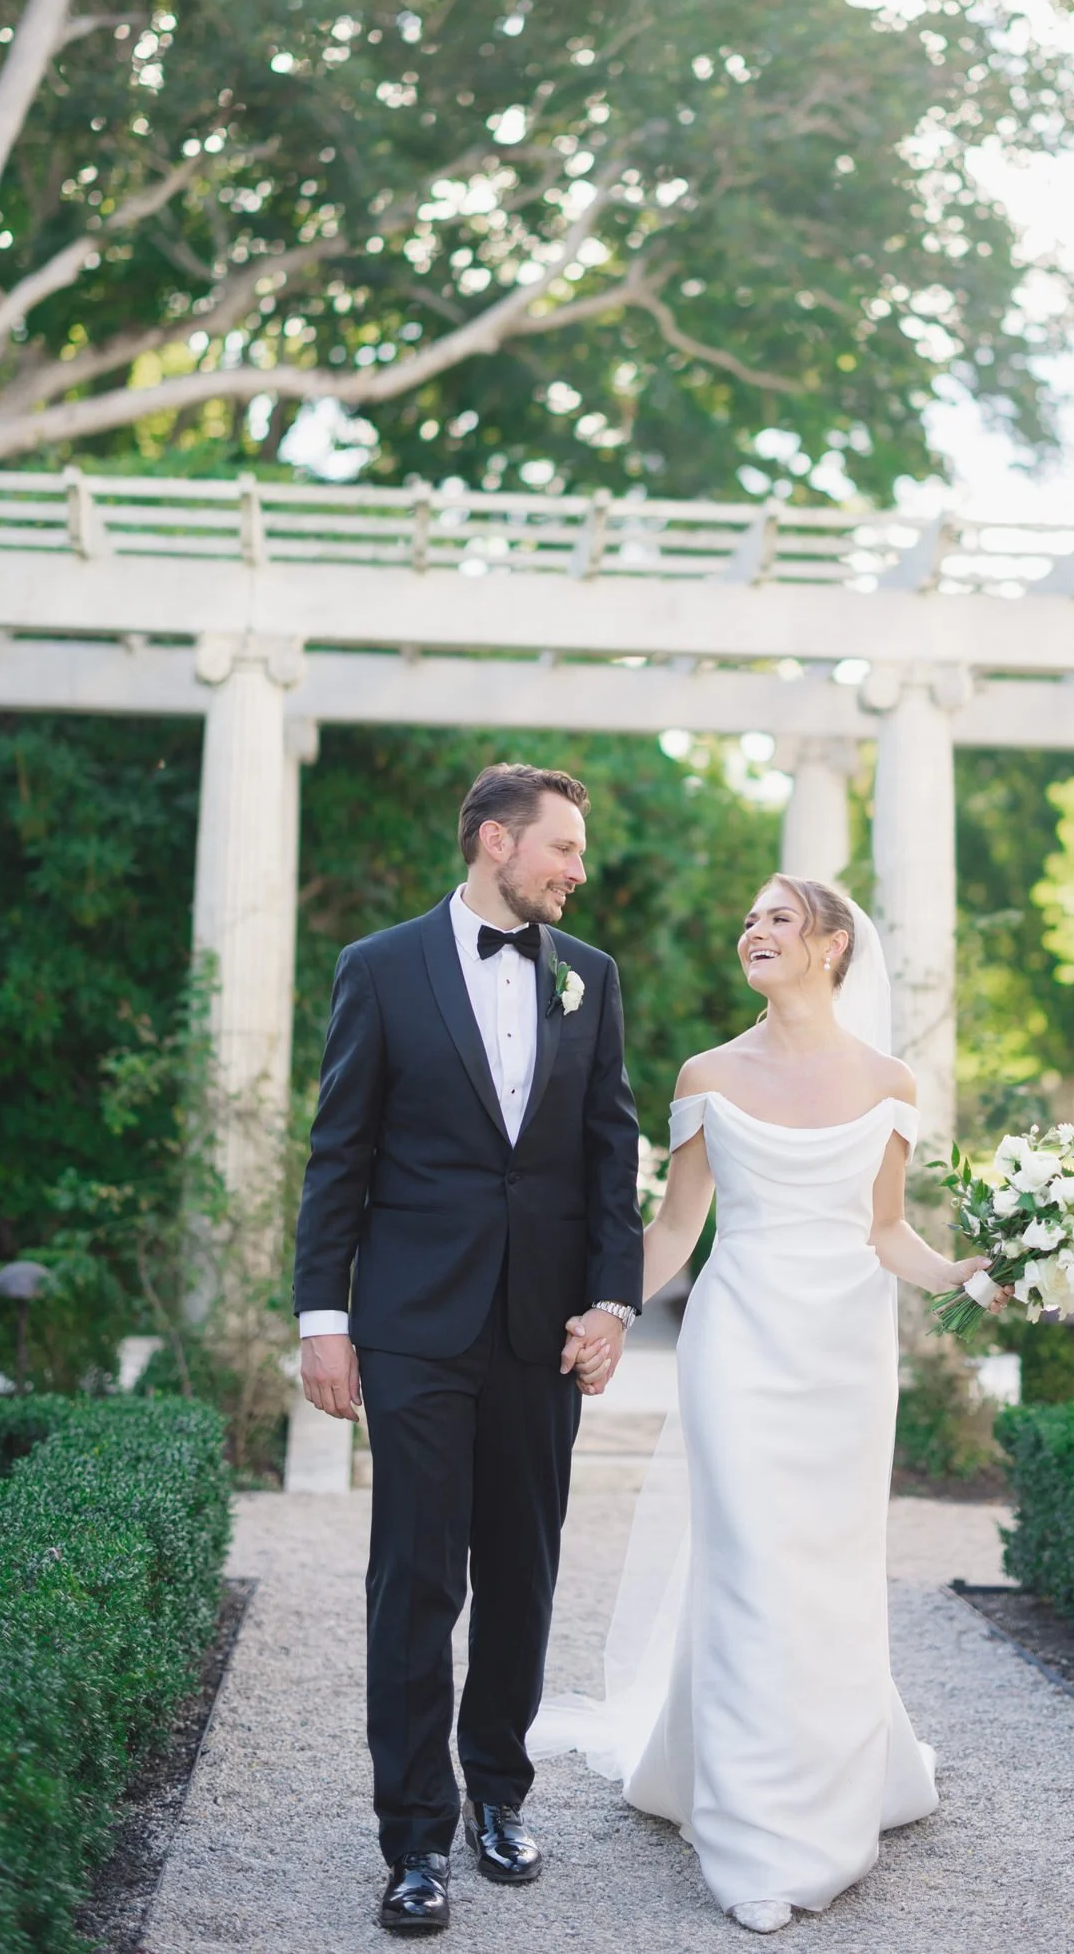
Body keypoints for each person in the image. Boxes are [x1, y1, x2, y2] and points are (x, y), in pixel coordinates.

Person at [532, 873, 1004, 1934]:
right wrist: (607, 1309)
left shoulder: (892, 1082)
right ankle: (756, 1837)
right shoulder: (708, 1073)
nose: (754, 929)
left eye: (777, 917)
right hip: (738, 1338)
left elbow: (887, 1232)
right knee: (747, 1560)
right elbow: (674, 1229)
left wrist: (967, 1275)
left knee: (826, 1574)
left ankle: (835, 1779)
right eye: (747, 916)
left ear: (832, 944)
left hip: (844, 1350)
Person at [292, 762, 643, 1936]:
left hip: (542, 1333)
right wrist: (323, 1320)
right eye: (564, 849)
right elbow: (337, 1154)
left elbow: (611, 1157)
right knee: (415, 1577)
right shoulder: (378, 968)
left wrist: (613, 1303)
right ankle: (413, 1838)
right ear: (497, 841)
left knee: (525, 1573)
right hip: (413, 1326)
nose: (577, 871)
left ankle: (499, 1793)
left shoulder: (591, 981)